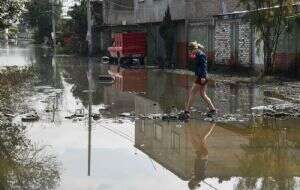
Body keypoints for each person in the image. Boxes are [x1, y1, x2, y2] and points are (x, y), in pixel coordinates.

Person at [183, 41, 216, 119]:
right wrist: (192, 56)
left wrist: (202, 77)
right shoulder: (198, 54)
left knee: (192, 93)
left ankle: (187, 111)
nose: (191, 52)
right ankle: (212, 109)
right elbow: (194, 58)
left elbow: (204, 66)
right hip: (203, 76)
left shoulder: (201, 55)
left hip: (202, 77)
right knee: (202, 94)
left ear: (194, 49)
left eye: (191, 51)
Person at [186, 121, 216, 190]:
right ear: (193, 183)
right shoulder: (199, 178)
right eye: (191, 181)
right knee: (201, 138)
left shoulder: (197, 178)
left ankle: (188, 122)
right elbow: (201, 167)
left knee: (194, 139)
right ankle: (213, 123)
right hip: (202, 156)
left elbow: (197, 169)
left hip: (200, 155)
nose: (191, 179)